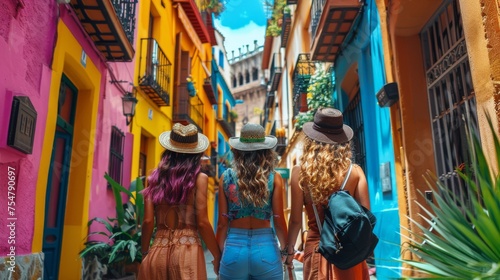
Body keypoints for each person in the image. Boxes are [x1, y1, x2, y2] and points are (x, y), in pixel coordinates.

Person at [285, 108, 371, 279]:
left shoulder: (300, 172)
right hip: (349, 255)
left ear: (312, 139)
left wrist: (288, 253)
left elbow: (295, 221)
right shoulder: (355, 172)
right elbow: (365, 219)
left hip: (317, 252)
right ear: (342, 141)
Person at [138, 123, 221, 279]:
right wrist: (217, 255)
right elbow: (202, 223)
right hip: (188, 254)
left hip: (158, 251)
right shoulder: (200, 179)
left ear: (168, 151)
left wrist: (144, 253)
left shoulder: (153, 177)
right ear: (196, 153)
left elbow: (148, 221)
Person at [216, 123, 288, 280]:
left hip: (234, 249)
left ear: (238, 150)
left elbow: (221, 224)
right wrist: (285, 251)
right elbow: (279, 221)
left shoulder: (226, 178)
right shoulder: (274, 178)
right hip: (266, 248)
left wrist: (219, 256)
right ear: (265, 151)